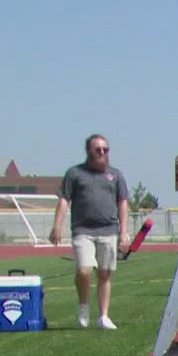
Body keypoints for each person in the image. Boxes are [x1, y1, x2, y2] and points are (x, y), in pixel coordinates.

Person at [49, 135, 131, 329]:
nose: (102, 153)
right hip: (82, 230)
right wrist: (56, 225)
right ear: (88, 151)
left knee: (104, 274)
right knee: (84, 270)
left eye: (105, 149)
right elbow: (63, 200)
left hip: (108, 230)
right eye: (98, 149)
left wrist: (123, 231)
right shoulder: (74, 174)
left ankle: (103, 316)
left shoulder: (116, 175)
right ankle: (84, 306)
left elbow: (122, 202)